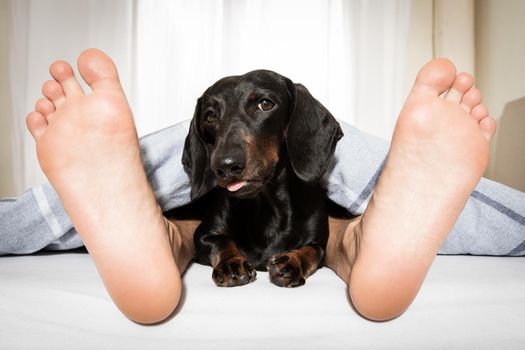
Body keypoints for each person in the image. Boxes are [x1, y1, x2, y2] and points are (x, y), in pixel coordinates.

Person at [2, 49, 524, 324]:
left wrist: (301, 250)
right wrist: (223, 242)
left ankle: (171, 243)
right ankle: (353, 247)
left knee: (318, 218)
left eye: (262, 105)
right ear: (203, 132)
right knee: (202, 217)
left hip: (305, 199)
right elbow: (204, 174)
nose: (228, 147)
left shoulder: (306, 134)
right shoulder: (212, 159)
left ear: (294, 122)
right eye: (214, 119)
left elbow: (314, 167)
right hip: (218, 211)